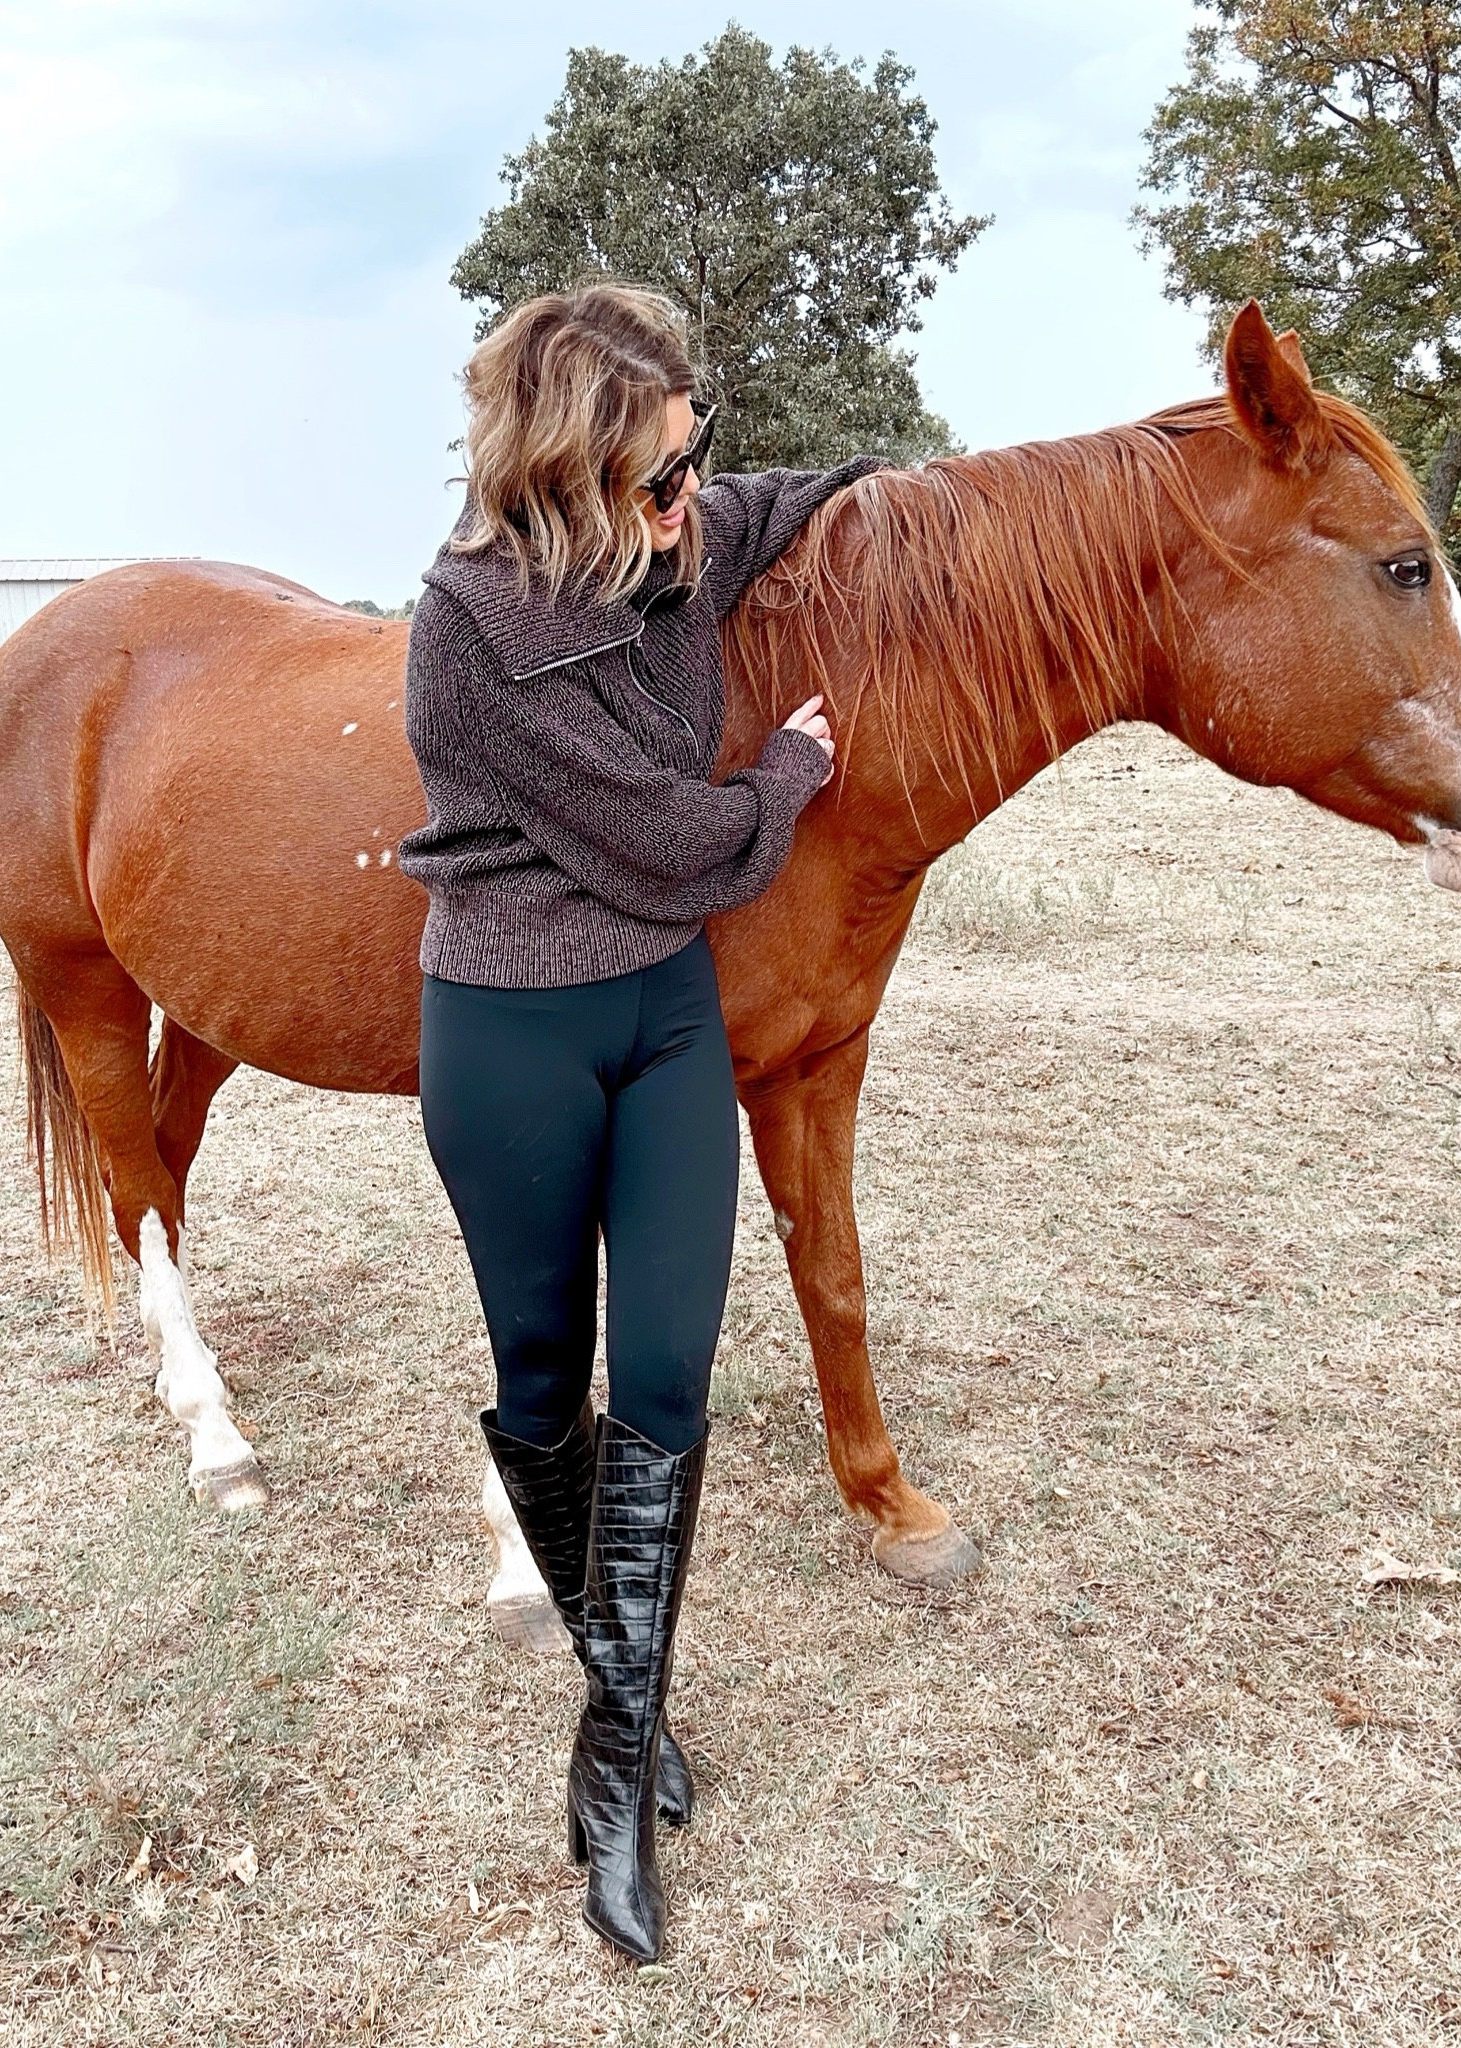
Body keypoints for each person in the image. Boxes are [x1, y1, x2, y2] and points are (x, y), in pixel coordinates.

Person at [396, 282, 878, 1964]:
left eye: (703, 461)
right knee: (545, 1377)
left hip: (667, 1017)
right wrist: (788, 781)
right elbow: (673, 841)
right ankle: (632, 1688)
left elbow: (802, 497)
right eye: (670, 474)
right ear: (579, 468)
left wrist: (912, 481)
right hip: (510, 1028)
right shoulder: (468, 628)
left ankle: (610, 1769)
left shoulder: (683, 535)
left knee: (666, 1378)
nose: (699, 500)